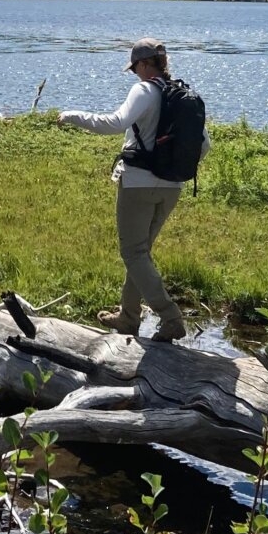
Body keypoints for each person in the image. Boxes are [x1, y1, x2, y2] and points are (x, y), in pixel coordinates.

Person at [59, 38, 209, 340]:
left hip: (138, 183)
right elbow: (204, 146)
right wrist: (170, 167)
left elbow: (115, 123)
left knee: (133, 252)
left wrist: (72, 116)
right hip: (173, 187)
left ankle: (170, 318)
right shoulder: (182, 94)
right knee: (140, 253)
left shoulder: (144, 89)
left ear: (143, 64)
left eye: (135, 68)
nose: (134, 74)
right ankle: (128, 317)